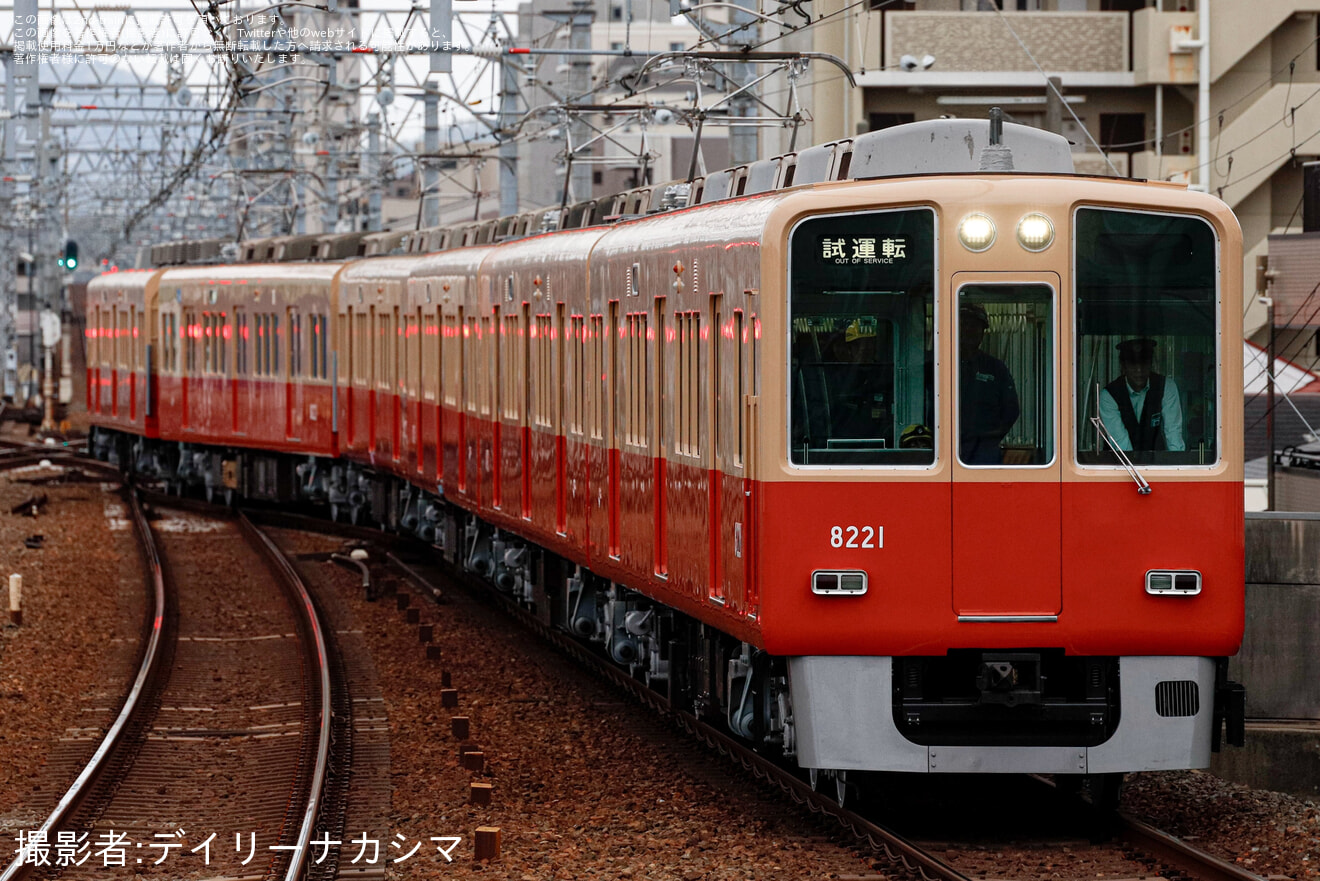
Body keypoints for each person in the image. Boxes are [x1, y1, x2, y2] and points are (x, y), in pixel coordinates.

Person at [958, 301, 1019, 464]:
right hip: (942, 444)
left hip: (984, 450)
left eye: (975, 326)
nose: (969, 331)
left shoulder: (995, 368)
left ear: (983, 332)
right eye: (964, 324)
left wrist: (991, 435)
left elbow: (1012, 409)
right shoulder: (936, 364)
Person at [1098, 338, 1184, 452]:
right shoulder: (1109, 395)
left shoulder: (1166, 387)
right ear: (1123, 366)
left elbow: (1173, 433)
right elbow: (1121, 445)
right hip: (1120, 465)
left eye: (1144, 363)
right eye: (1133, 364)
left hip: (1157, 463)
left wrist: (1176, 464)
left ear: (1151, 364)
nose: (1139, 370)